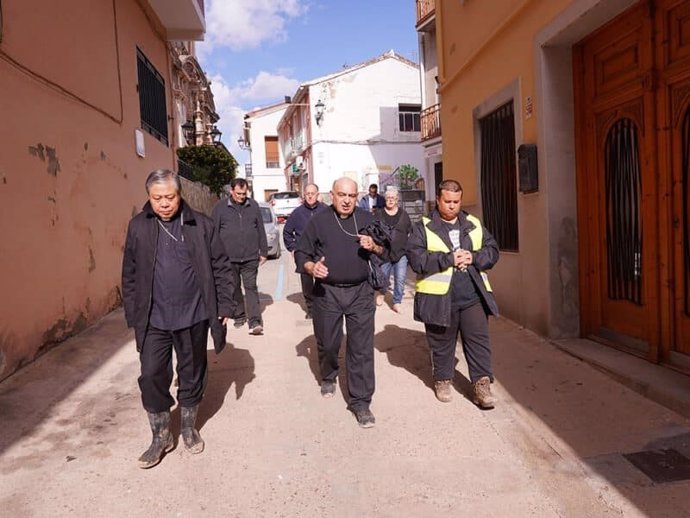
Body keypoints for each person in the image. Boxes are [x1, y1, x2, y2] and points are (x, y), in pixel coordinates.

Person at [122, 169, 235, 469]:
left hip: (193, 314)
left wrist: (224, 305)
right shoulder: (138, 227)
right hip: (154, 317)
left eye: (169, 197)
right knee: (151, 375)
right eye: (157, 198)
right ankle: (160, 436)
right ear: (149, 197)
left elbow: (222, 267)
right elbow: (130, 274)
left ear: (179, 194)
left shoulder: (201, 224)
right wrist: (134, 313)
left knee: (192, 372)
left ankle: (187, 427)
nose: (164, 204)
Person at [295, 177, 388, 428]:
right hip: (327, 293)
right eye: (342, 195)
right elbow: (301, 252)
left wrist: (375, 246)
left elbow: (388, 250)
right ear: (332, 195)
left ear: (357, 197)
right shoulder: (319, 221)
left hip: (360, 292)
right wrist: (311, 266)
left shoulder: (367, 220)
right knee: (327, 342)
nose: (347, 200)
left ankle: (361, 402)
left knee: (361, 348)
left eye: (352, 196)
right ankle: (328, 375)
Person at [407, 180, 500, 408]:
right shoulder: (423, 227)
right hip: (439, 298)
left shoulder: (473, 224)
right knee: (442, 342)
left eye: (456, 202)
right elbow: (416, 258)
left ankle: (482, 385)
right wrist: (448, 259)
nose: (451, 206)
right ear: (438, 200)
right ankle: (442, 379)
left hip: (473, 296)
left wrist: (474, 257)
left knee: (478, 342)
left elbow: (492, 250)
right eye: (447, 201)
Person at [212, 178, 268, 335]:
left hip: (250, 257)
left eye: (244, 194)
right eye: (238, 194)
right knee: (234, 287)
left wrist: (263, 251)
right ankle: (239, 315)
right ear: (231, 191)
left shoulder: (253, 205)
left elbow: (260, 228)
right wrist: (215, 254)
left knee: (250, 287)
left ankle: (255, 321)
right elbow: (213, 232)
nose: (242, 197)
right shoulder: (220, 208)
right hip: (228, 258)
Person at [283, 183, 328, 319]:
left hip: (321, 251)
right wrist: (293, 248)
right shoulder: (297, 213)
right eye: (307, 193)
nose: (310, 196)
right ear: (304, 195)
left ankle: (324, 306)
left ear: (317, 194)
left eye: (312, 193)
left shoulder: (326, 211)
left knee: (323, 279)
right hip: (304, 252)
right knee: (307, 282)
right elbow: (287, 232)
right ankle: (311, 308)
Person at [374, 188, 413, 312]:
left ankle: (397, 301)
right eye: (388, 198)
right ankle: (380, 292)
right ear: (385, 199)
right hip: (384, 252)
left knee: (400, 278)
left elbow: (409, 231)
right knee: (383, 276)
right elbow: (373, 231)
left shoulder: (404, 214)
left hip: (401, 252)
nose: (390, 200)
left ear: (397, 200)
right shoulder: (379, 213)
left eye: (393, 198)